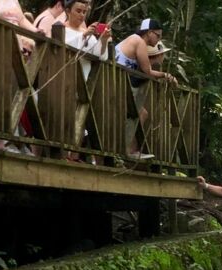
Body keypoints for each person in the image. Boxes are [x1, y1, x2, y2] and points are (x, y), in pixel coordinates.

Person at [116, 19, 176, 159]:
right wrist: (165, 75)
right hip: (117, 83)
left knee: (141, 112)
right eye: (158, 36)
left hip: (115, 80)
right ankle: (128, 150)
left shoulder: (132, 39)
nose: (158, 39)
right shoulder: (139, 42)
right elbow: (147, 71)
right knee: (139, 113)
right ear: (149, 33)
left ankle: (128, 149)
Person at [62, 0, 110, 81]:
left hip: (83, 79)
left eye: (84, 12)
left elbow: (100, 56)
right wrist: (83, 35)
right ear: (68, 11)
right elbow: (61, 48)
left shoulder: (89, 34)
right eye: (78, 11)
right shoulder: (61, 28)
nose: (82, 15)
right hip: (63, 76)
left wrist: (104, 40)